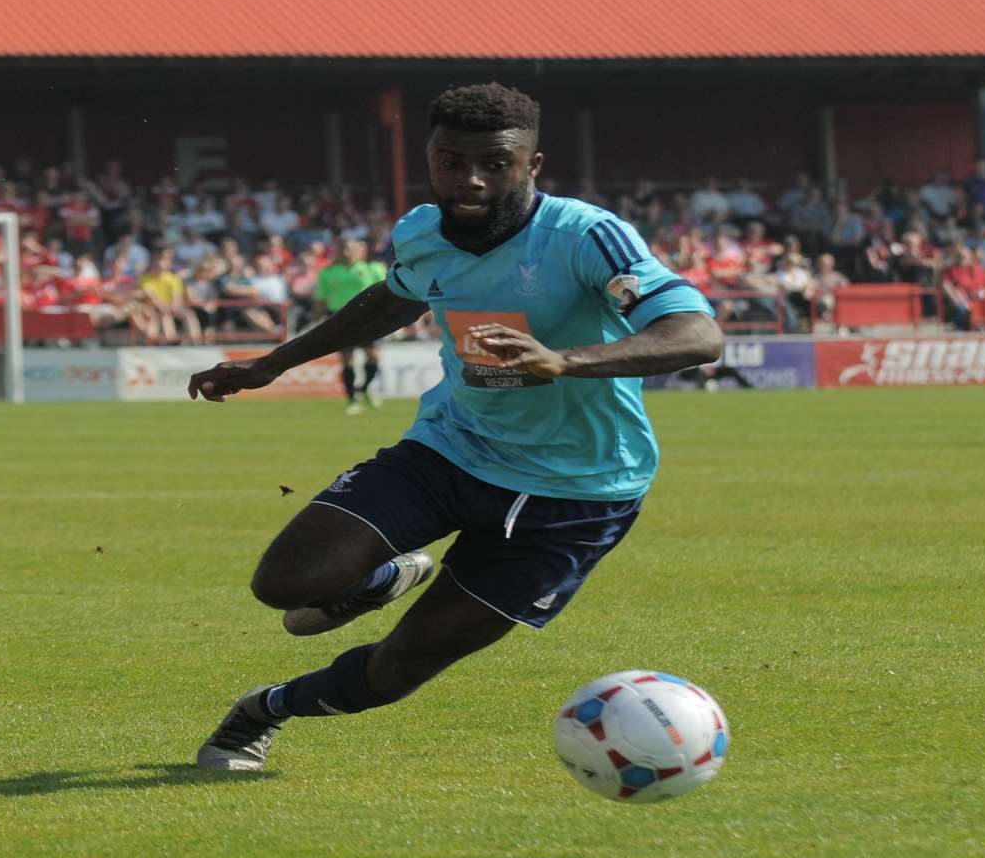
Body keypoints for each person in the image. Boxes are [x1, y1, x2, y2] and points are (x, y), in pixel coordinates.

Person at [184, 83, 722, 772]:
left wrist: (562, 361)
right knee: (285, 586)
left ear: (532, 165)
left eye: (494, 163)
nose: (469, 179)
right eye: (450, 160)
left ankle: (263, 710)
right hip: (451, 452)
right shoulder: (420, 232)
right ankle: (379, 578)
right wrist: (273, 364)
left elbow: (697, 334)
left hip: (580, 491)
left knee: (399, 669)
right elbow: (391, 301)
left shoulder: (587, 236)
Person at [313, 238, 391, 414]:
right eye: (345, 249)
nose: (348, 253)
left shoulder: (374, 268)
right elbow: (320, 299)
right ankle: (352, 399)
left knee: (374, 357)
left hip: (369, 317)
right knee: (348, 359)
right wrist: (316, 320)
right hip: (340, 318)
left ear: (362, 251)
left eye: (352, 249)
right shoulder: (328, 272)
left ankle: (363, 390)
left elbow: (387, 293)